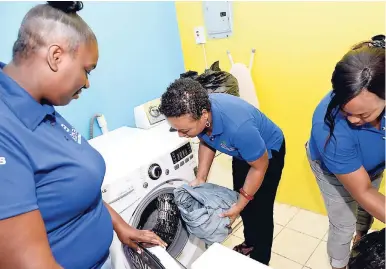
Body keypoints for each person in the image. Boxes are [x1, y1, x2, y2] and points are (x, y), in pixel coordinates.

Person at [0, 2, 166, 269]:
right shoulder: (6, 129)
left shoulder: (40, 104)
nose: (87, 83)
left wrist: (120, 225)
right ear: (56, 57)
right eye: (87, 70)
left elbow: (72, 189)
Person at [159, 78, 286, 265]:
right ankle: (250, 243)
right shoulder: (202, 117)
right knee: (241, 198)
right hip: (243, 153)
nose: (180, 134)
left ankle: (260, 261)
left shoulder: (239, 128)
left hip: (267, 154)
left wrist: (240, 204)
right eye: (176, 129)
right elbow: (206, 140)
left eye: (184, 130)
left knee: (260, 210)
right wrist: (200, 178)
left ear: (203, 116)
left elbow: (259, 167)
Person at [306, 34, 385, 269]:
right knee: (344, 223)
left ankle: (361, 243)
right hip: (332, 171)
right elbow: (362, 190)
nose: (352, 119)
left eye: (363, 115)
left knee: (365, 214)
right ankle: (341, 265)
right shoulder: (328, 129)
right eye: (345, 109)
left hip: (374, 164)